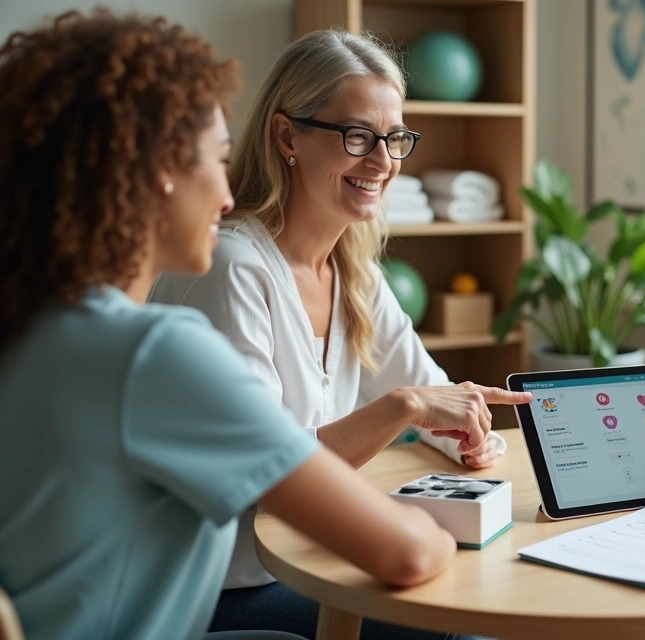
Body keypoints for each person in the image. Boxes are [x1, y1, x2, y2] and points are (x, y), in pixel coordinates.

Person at [0, 10, 514, 640]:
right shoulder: (159, 348)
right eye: (214, 161)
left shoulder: (42, 325)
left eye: (396, 138)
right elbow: (406, 551)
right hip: (233, 592)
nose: (225, 194)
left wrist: (428, 422)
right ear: (150, 178)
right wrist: (406, 423)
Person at [148, 29, 527, 638]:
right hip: (220, 587)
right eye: (357, 136)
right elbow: (268, 482)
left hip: (306, 561)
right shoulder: (231, 268)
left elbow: (434, 395)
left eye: (395, 138)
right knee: (460, 626)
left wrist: (468, 435)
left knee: (489, 600)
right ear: (286, 135)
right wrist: (405, 407)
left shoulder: (354, 272)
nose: (383, 162)